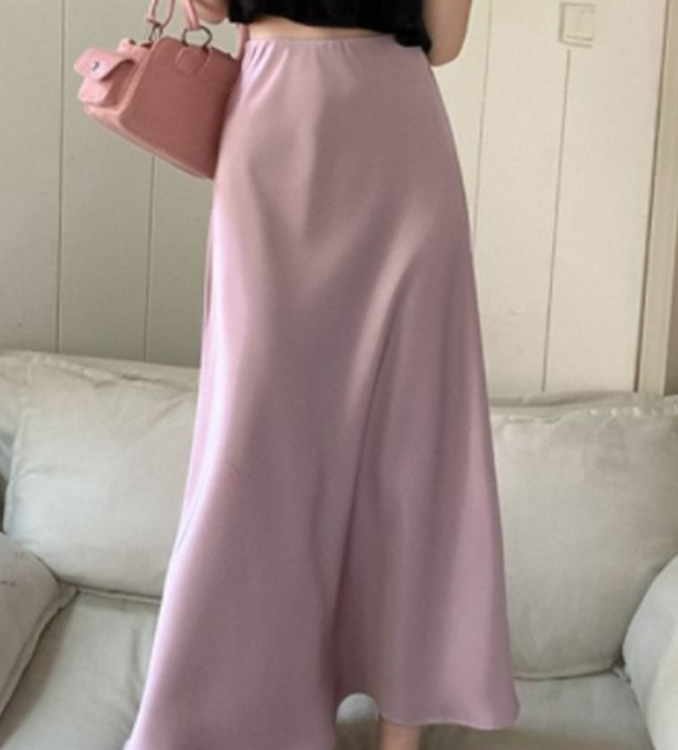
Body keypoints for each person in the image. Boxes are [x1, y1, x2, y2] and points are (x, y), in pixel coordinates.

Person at [124, 2, 521, 750]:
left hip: (316, 125)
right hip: (353, 126)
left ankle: (334, 724)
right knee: (378, 433)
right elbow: (444, 42)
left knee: (383, 431)